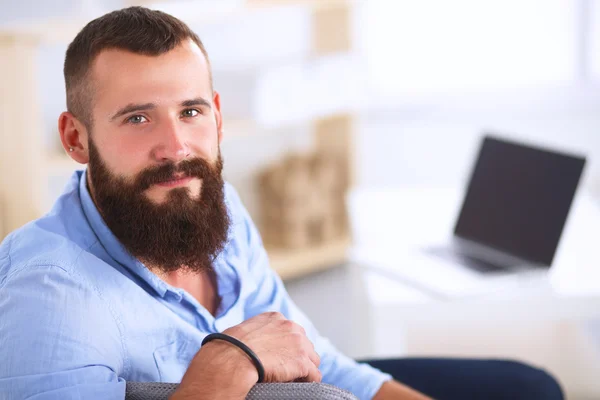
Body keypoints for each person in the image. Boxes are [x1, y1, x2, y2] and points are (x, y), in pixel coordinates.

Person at [0, 7, 564, 400]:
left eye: (191, 112)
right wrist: (228, 361)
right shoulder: (52, 294)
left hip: (291, 389)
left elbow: (318, 357)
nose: (176, 147)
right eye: (137, 118)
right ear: (76, 138)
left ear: (218, 115)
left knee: (527, 388)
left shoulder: (215, 205)